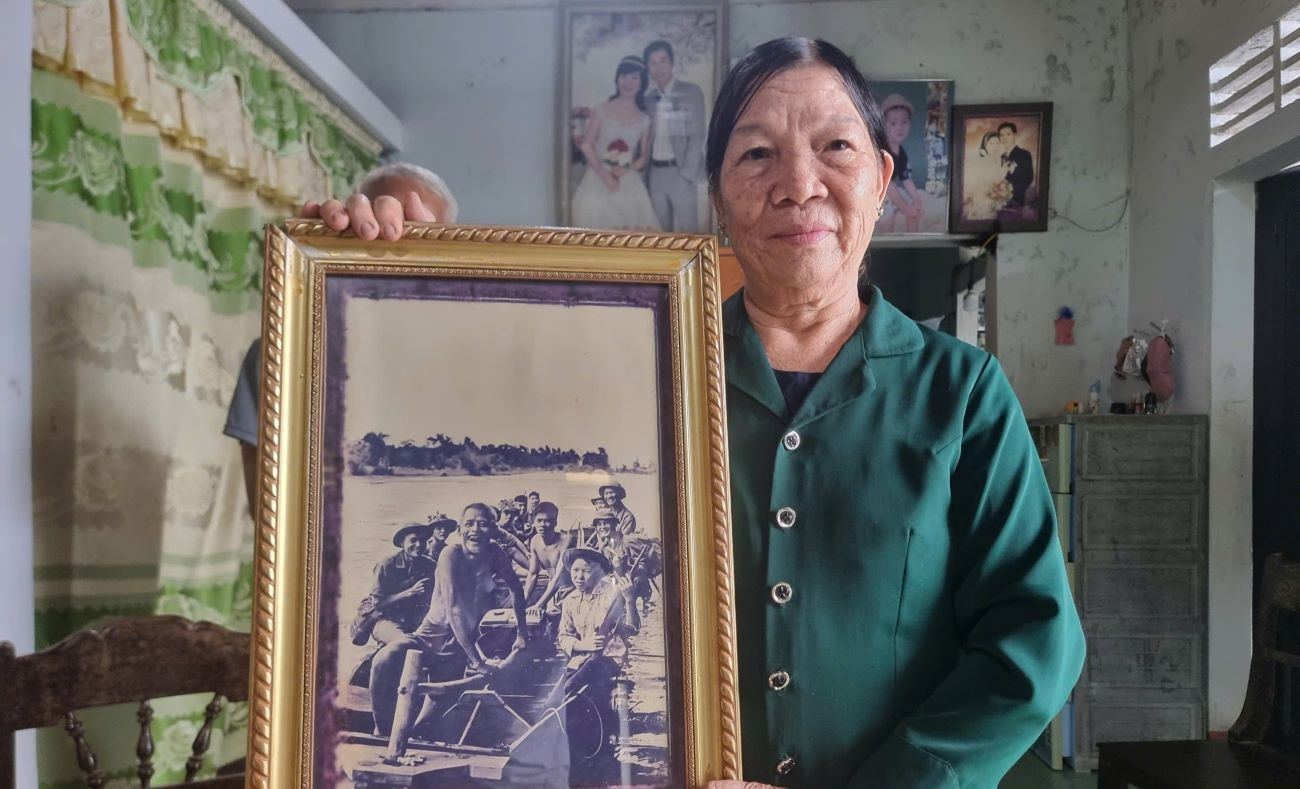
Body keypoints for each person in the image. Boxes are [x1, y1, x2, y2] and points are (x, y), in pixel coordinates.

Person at [302, 37, 1085, 788]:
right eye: (756, 154)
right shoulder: (647, 368)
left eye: (835, 148)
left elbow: (1034, 641)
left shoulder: (963, 391)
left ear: (882, 179)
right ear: (719, 196)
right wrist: (374, 278)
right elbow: (479, 383)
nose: (797, 182)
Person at [222, 163, 459, 515]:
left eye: (429, 238)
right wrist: (317, 287)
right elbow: (274, 522)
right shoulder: (285, 352)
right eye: (378, 233)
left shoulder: (480, 358)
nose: (402, 253)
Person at [368, 503, 528, 736]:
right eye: (469, 524)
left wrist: (522, 634)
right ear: (460, 530)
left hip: (458, 648)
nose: (475, 530)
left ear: (493, 529)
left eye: (483, 524)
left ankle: (413, 735)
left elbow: (517, 589)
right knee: (383, 660)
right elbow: (453, 610)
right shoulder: (450, 554)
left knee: (427, 721)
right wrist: (477, 661)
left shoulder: (495, 552)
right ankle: (381, 731)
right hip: (429, 637)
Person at [571, 56, 661, 231]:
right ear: (617, 79)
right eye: (624, 77)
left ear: (642, 82)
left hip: (627, 180)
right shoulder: (601, 109)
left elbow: (643, 157)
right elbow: (587, 145)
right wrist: (605, 175)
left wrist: (626, 170)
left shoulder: (644, 119)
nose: (628, 82)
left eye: (634, 77)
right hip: (598, 178)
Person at [643, 39, 707, 232]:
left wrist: (687, 173)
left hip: (680, 171)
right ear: (648, 68)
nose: (658, 67)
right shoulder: (648, 99)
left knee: (690, 231)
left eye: (662, 61)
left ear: (671, 63)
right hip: (654, 173)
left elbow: (697, 135)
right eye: (653, 63)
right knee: (662, 236)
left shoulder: (690, 91)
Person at [350, 520, 438, 648]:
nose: (419, 544)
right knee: (405, 643)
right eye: (413, 540)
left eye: (422, 540)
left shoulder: (430, 565)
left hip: (413, 619)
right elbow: (378, 603)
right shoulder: (386, 565)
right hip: (384, 619)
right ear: (402, 543)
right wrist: (409, 593)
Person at [876, 94, 924, 233]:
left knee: (915, 212)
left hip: (891, 192)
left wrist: (917, 199)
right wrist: (905, 208)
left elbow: (906, 178)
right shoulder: (883, 151)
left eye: (904, 122)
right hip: (881, 192)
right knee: (887, 219)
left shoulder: (901, 153)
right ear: (883, 126)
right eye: (893, 123)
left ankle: (912, 243)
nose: (900, 127)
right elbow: (889, 187)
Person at [522, 501, 575, 618]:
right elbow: (533, 574)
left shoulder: (566, 541)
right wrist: (523, 600)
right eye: (539, 520)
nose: (542, 524)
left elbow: (559, 577)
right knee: (546, 619)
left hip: (571, 589)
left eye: (547, 521)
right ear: (534, 522)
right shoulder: (535, 541)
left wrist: (539, 604)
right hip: (552, 588)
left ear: (555, 522)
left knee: (558, 618)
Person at [998, 121, 1035, 208]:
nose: (1004, 138)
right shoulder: (1002, 157)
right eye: (1001, 135)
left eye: (1008, 134)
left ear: (1015, 135)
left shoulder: (1024, 154)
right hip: (999, 202)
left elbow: (1028, 178)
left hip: (1016, 202)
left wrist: (1009, 190)